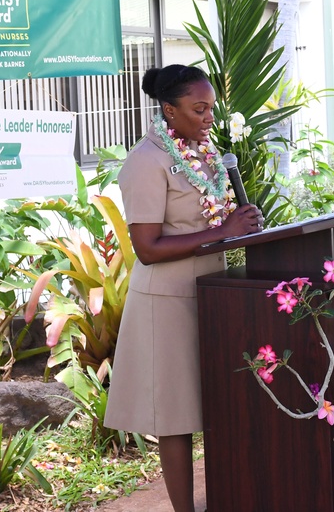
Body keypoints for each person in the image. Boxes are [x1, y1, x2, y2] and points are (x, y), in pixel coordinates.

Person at [104, 64, 265, 512]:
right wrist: (221, 231)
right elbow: (148, 248)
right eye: (199, 109)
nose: (209, 117)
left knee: (216, 407)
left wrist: (242, 229)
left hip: (213, 296)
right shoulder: (146, 161)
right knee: (175, 420)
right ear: (169, 110)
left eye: (211, 108)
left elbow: (215, 223)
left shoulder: (207, 154)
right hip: (166, 303)